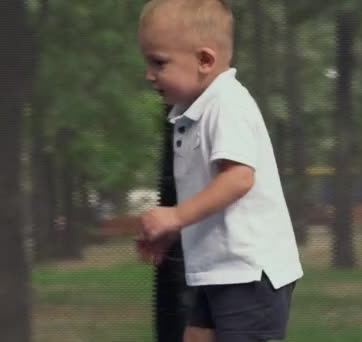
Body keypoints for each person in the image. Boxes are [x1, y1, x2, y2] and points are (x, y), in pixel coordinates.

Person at [136, 1, 303, 341]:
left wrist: (176, 216)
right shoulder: (194, 110)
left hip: (250, 273)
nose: (149, 74)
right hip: (221, 270)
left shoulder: (227, 104)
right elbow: (209, 190)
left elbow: (239, 178)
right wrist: (175, 230)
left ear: (205, 60)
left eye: (159, 62)